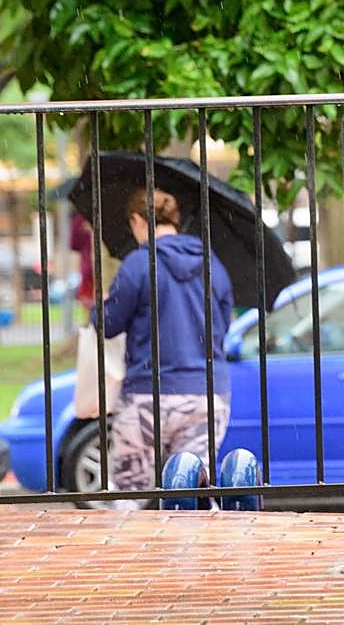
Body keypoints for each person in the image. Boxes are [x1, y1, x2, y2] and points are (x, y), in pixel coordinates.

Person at [95, 187, 233, 505]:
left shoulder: (138, 264)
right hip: (205, 393)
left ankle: (133, 538)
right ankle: (202, 531)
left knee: (131, 493)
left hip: (149, 393)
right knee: (193, 488)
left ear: (137, 221)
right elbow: (222, 326)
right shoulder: (212, 264)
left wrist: (102, 305)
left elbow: (109, 324)